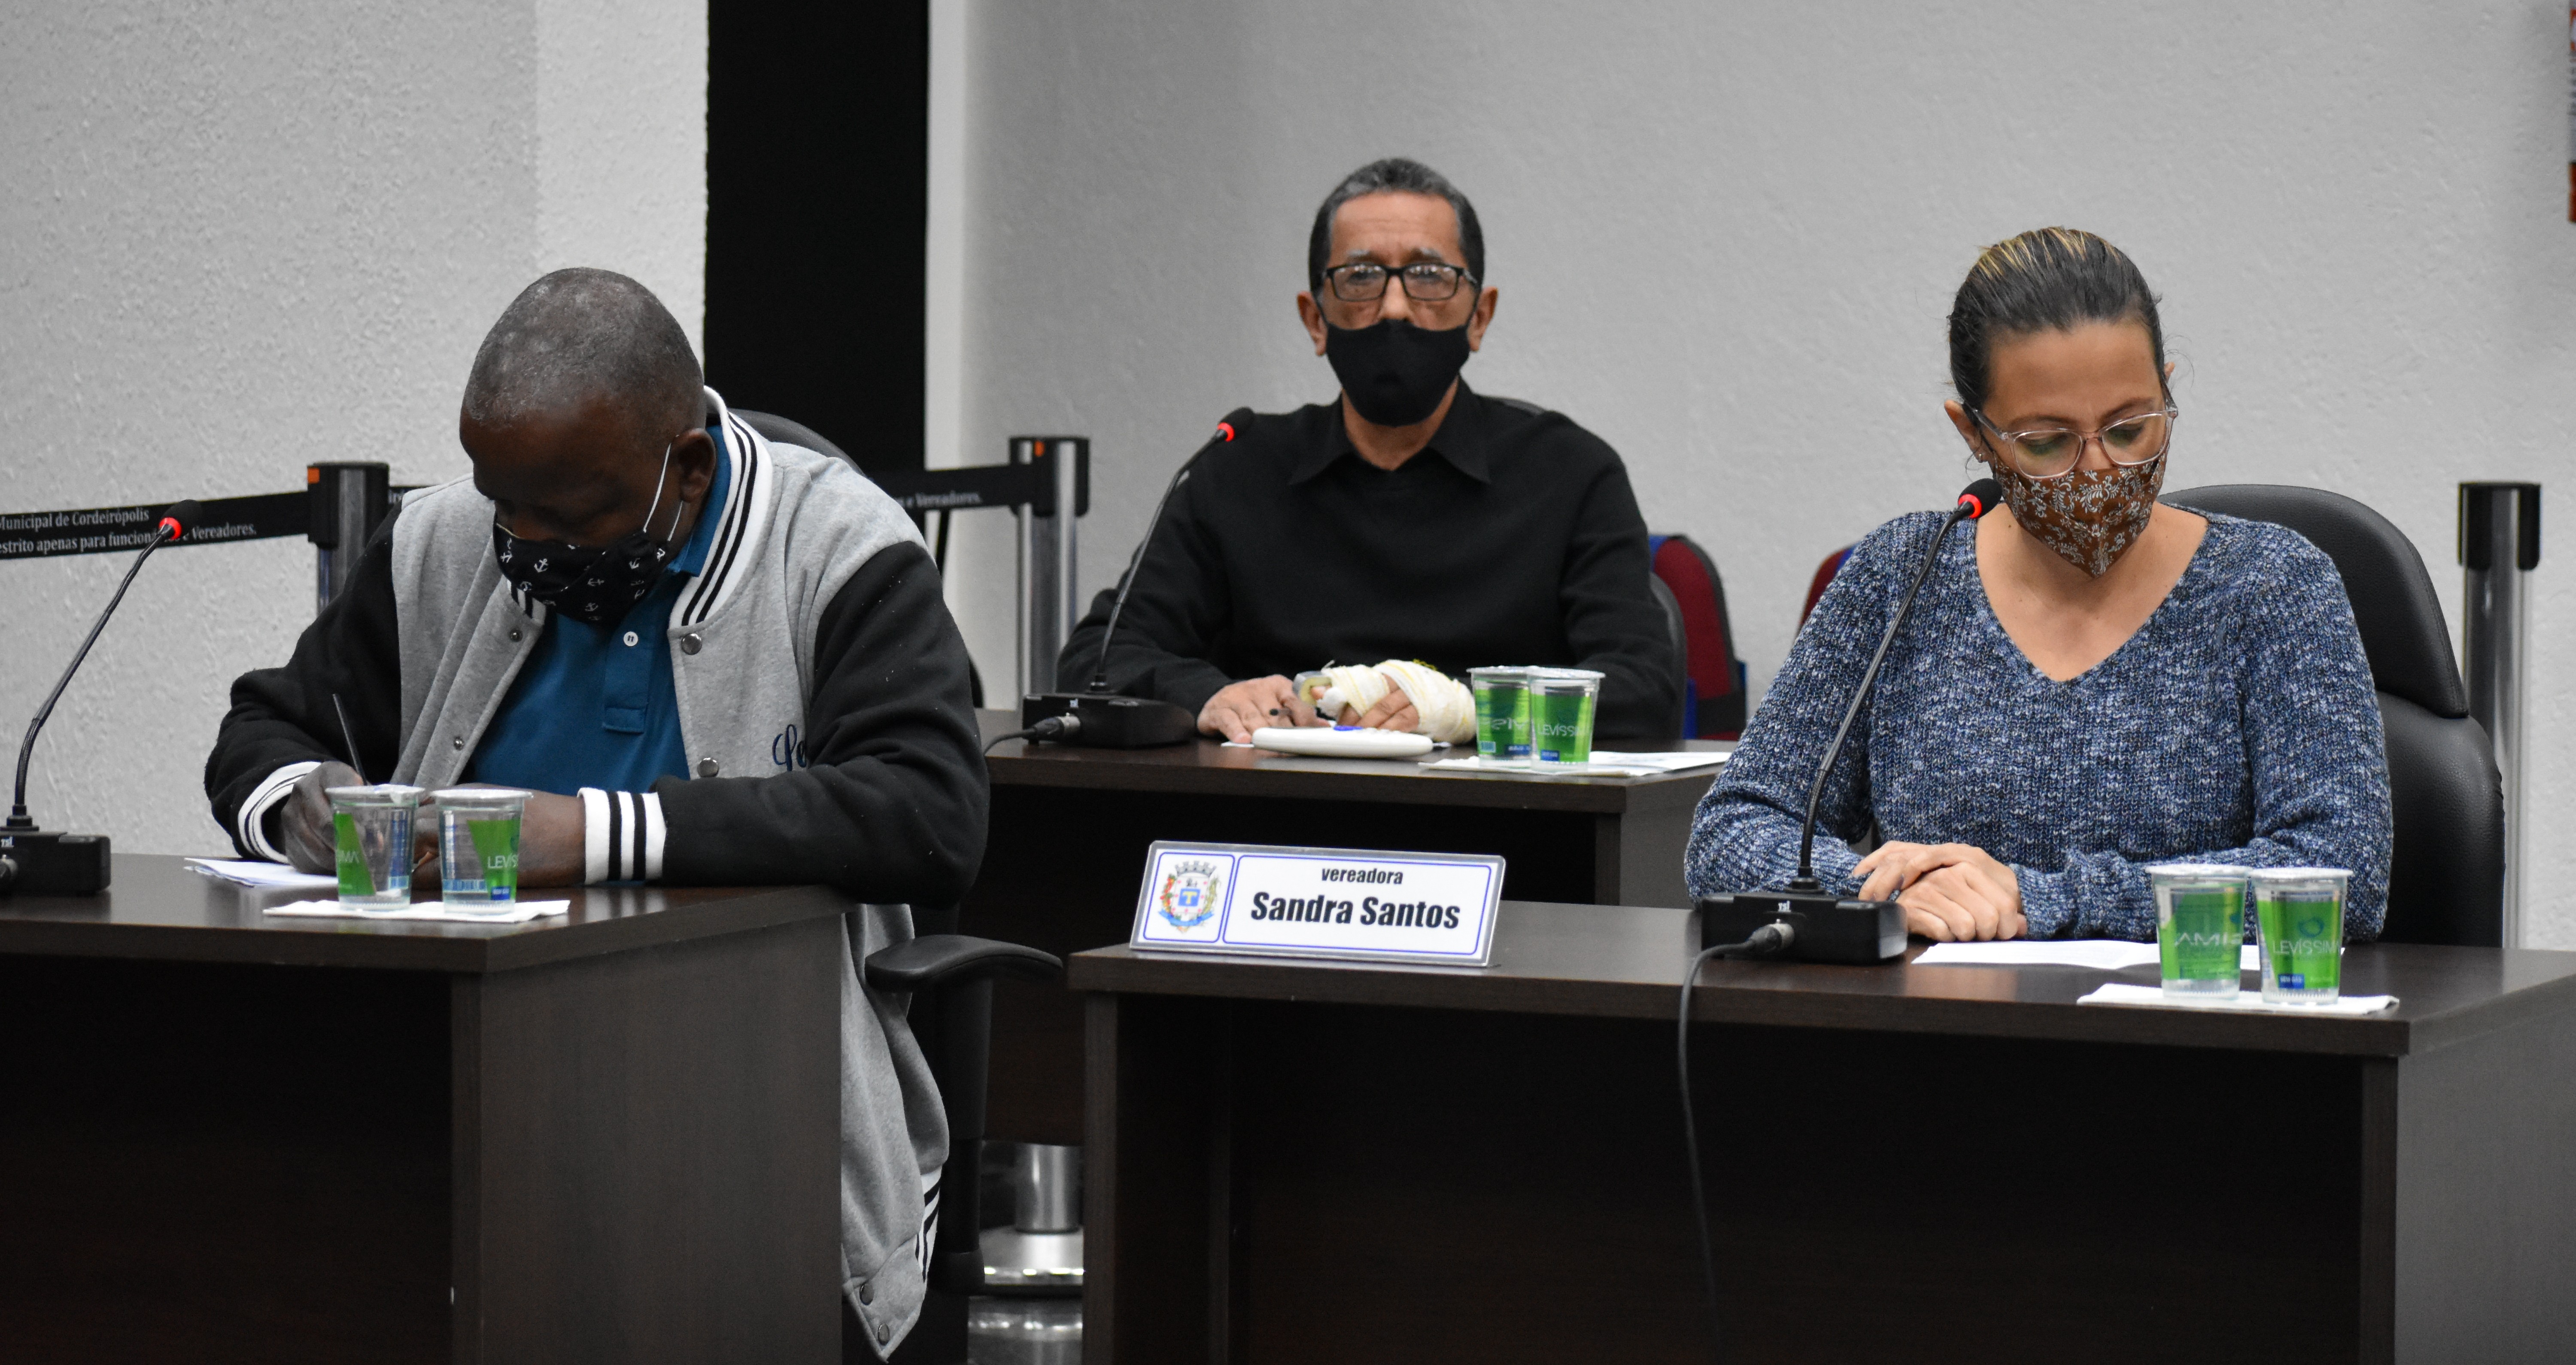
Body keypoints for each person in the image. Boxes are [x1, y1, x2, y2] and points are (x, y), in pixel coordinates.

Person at [203, 268, 985, 1360]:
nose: (524, 544)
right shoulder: (443, 540)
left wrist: (589, 836)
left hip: (747, 1109)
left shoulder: (837, 547)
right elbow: (266, 725)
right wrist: (299, 800)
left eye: (567, 516)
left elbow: (927, 810)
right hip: (463, 1085)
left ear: (687, 469)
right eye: (503, 503)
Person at [1686, 228, 2391, 943]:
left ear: (2167, 389)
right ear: (1974, 434)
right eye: (2048, 442)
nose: (2098, 469)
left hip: (2192, 1013)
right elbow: (1732, 831)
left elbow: (2344, 873)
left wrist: (2040, 898)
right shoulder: (1902, 575)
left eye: (2130, 428)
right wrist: (1889, 893)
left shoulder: (2272, 586)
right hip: (1936, 1010)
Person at [1056, 157, 1682, 744]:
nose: (1394, 308)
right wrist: (1209, 696)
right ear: (1315, 320)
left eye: (1429, 276)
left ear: (1480, 316)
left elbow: (1646, 688)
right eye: (1360, 277)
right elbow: (1096, 661)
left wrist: (1465, 709)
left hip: (1499, 811)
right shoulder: (1237, 469)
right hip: (1279, 805)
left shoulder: (1571, 474)